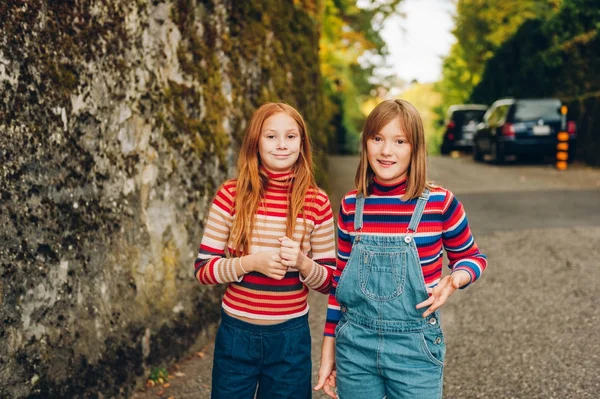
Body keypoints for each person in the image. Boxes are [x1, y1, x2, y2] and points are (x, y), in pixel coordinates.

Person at [314, 99, 488, 399]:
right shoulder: (350, 206)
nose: (386, 151)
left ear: (414, 148)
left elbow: (473, 257)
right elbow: (338, 287)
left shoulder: (440, 203)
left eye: (399, 141)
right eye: (377, 138)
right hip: (355, 346)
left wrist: (456, 278)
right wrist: (328, 350)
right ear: (365, 143)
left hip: (415, 349)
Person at [194, 102, 336, 399]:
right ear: (255, 142)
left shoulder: (316, 202)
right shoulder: (230, 195)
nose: (282, 145)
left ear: (302, 143)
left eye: (291, 136)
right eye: (271, 136)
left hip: (289, 339)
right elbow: (203, 270)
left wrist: (302, 262)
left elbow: (329, 281)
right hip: (236, 335)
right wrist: (251, 262)